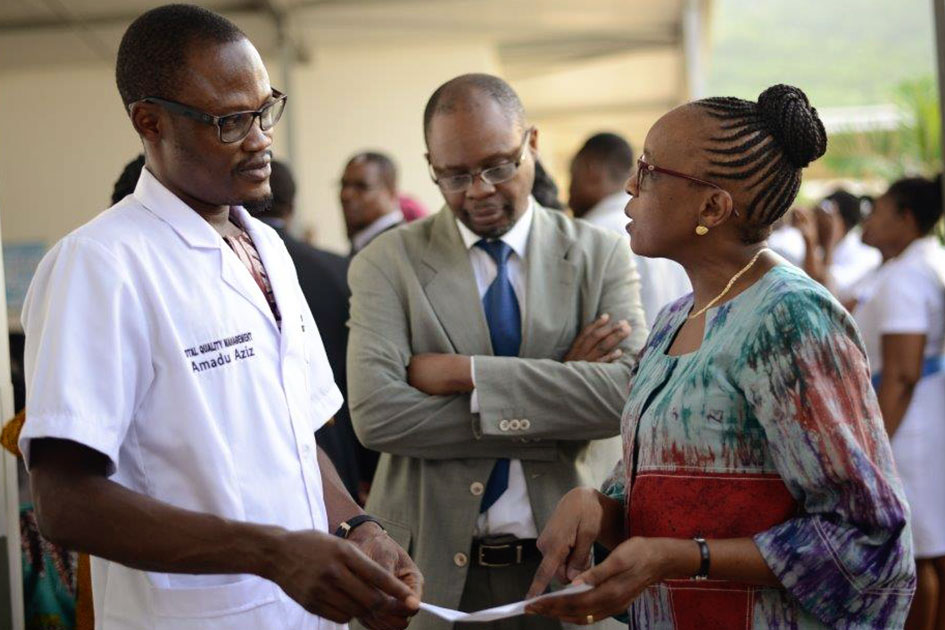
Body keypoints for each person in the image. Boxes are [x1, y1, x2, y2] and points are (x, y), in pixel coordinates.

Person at [18, 6, 421, 629]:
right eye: (231, 121)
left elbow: (293, 436)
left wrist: (355, 527)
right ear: (148, 121)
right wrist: (272, 554)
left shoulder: (265, 246)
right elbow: (64, 503)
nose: (261, 138)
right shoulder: (100, 263)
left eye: (264, 111)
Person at [525, 85, 915, 629]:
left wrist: (686, 557)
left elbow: (868, 541)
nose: (631, 185)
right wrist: (596, 506)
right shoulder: (672, 320)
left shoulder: (790, 319)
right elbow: (657, 491)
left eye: (650, 169)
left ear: (713, 205)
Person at [346, 73, 646, 630]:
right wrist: (563, 385)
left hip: (570, 572)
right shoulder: (386, 263)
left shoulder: (599, 255)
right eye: (455, 175)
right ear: (430, 165)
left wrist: (466, 374)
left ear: (532, 143)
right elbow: (378, 416)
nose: (479, 189)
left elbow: (627, 399)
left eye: (499, 166)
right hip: (427, 574)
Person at [246, 160, 377, 503]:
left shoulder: (222, 268)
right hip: (343, 456)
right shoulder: (342, 269)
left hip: (262, 468)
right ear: (291, 207)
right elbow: (364, 373)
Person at [855, 175, 945, 630]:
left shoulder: (908, 275)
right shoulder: (915, 262)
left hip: (908, 427)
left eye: (880, 210)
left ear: (906, 218)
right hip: (921, 416)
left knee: (917, 553)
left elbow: (903, 373)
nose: (868, 219)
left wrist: (876, 449)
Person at [569, 132, 690, 327]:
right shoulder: (669, 228)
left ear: (591, 171)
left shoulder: (589, 233)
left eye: (572, 177)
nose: (568, 194)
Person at [793, 189, 881, 302]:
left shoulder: (866, 255)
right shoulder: (820, 248)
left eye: (820, 217)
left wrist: (826, 242)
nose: (814, 223)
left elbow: (825, 289)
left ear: (840, 224)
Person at [341, 151, 405, 256]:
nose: (346, 195)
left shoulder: (400, 248)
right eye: (344, 185)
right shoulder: (363, 241)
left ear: (391, 193)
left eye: (361, 186)